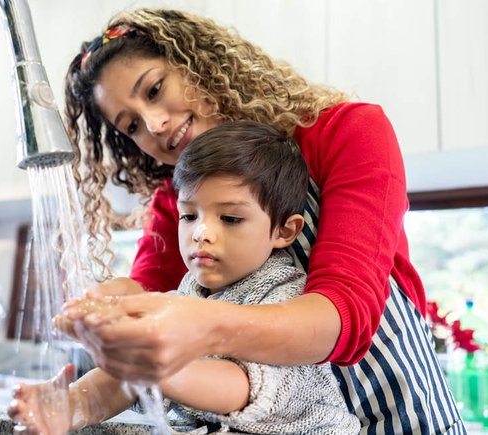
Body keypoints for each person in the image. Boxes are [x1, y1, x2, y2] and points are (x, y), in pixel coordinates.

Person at [55, 8, 466, 434]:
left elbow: (342, 316)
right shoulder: (173, 201)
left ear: (198, 63)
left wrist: (204, 328)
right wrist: (111, 305)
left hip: (400, 412)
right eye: (133, 125)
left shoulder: (347, 132)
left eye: (156, 89)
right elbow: (147, 297)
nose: (155, 125)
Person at [9, 120, 360, 434]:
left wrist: (153, 363)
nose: (201, 233)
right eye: (189, 216)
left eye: (231, 219)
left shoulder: (285, 296)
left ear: (284, 231)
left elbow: (240, 387)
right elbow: (124, 381)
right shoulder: (188, 294)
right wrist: (75, 404)